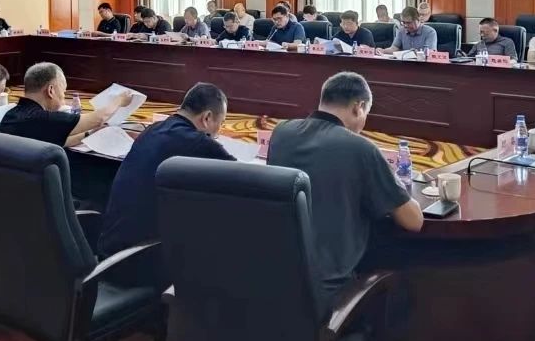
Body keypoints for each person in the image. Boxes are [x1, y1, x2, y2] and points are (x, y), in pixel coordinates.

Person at [267, 71, 423, 305]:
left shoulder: (282, 132)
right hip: (329, 289)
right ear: (358, 107)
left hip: (278, 276)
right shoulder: (360, 148)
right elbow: (414, 221)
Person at [98, 82, 236, 285]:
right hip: (136, 263)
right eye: (220, 124)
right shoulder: (198, 142)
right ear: (206, 118)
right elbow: (240, 176)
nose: (218, 132)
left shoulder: (152, 130)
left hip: (108, 254)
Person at [0, 62, 131, 148]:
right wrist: (120, 100)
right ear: (51, 91)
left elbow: (60, 140)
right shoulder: (43, 119)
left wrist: (89, 133)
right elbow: (99, 119)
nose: (63, 97)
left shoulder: (11, 115)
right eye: (63, 91)